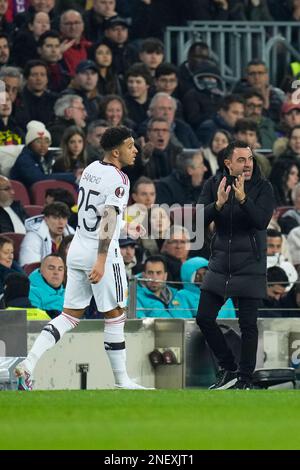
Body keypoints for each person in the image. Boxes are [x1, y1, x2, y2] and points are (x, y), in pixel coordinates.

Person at [15, 125, 153, 391]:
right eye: (130, 146)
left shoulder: (90, 169)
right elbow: (108, 217)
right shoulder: (120, 179)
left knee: (69, 315)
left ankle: (29, 363)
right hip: (100, 252)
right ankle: (122, 381)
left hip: (77, 247)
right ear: (116, 151)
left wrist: (127, 227)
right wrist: (101, 260)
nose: (135, 150)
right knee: (115, 316)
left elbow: (92, 215)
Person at [196, 140, 274, 390]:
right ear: (228, 163)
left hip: (250, 265)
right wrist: (217, 204)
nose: (248, 164)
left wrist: (242, 200)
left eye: (250, 159)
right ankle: (228, 368)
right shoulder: (213, 185)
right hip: (220, 264)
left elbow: (261, 221)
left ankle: (244, 379)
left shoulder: (263, 188)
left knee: (248, 325)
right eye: (241, 160)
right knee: (204, 318)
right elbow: (196, 219)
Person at [19, 201, 74, 266]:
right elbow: (31, 268)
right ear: (46, 219)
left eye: (64, 218)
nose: (61, 222)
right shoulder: (32, 238)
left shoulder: (72, 236)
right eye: (55, 218)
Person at [29, 254, 66, 318]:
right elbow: (34, 322)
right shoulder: (31, 292)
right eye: (51, 268)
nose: (56, 272)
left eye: (60, 269)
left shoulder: (69, 293)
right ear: (41, 270)